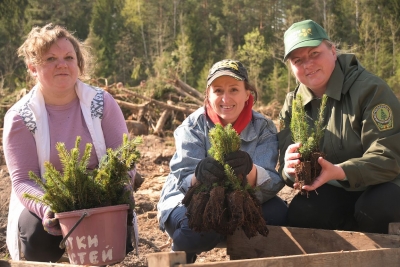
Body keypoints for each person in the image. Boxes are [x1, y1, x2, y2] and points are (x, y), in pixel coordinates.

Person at [3, 23, 135, 262]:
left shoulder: (102, 103)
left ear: (78, 64)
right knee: (36, 235)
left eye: (68, 57)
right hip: (47, 202)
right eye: (50, 58)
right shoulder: (20, 117)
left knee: (114, 228)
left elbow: (123, 159)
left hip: (99, 198)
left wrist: (119, 192)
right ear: (33, 68)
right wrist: (50, 209)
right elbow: (23, 181)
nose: (61, 64)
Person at [157, 59, 288, 263]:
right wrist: (199, 176)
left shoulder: (263, 127)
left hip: (242, 200)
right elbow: (182, 178)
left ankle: (247, 256)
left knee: (280, 215)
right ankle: (181, 254)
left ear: (247, 94)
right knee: (202, 226)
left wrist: (250, 170)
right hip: (189, 200)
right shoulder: (193, 126)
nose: (225, 98)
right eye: (218, 91)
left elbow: (270, 181)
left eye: (234, 89)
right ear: (208, 95)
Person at [278, 19, 400, 234]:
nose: (308, 64)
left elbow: (388, 158)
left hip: (386, 181)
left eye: (315, 53)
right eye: (298, 60)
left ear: (333, 51)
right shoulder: (293, 103)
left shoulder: (370, 90)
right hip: (335, 185)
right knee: (303, 213)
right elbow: (287, 166)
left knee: (375, 210)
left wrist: (340, 171)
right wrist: (289, 171)